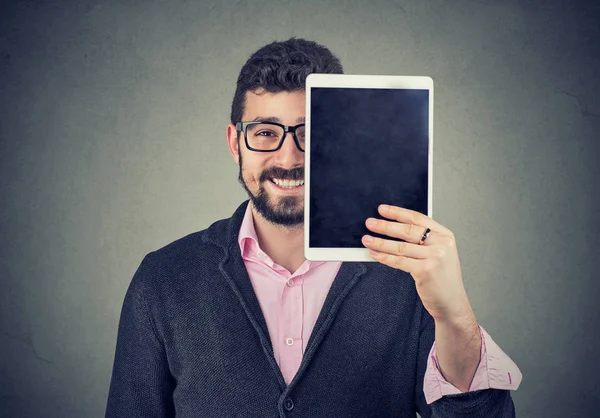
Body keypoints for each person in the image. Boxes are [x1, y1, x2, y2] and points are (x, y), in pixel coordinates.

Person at [106, 38, 522, 418]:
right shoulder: (163, 280)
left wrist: (454, 316)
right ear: (235, 142)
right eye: (265, 133)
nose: (288, 158)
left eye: (310, 134)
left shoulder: (407, 273)